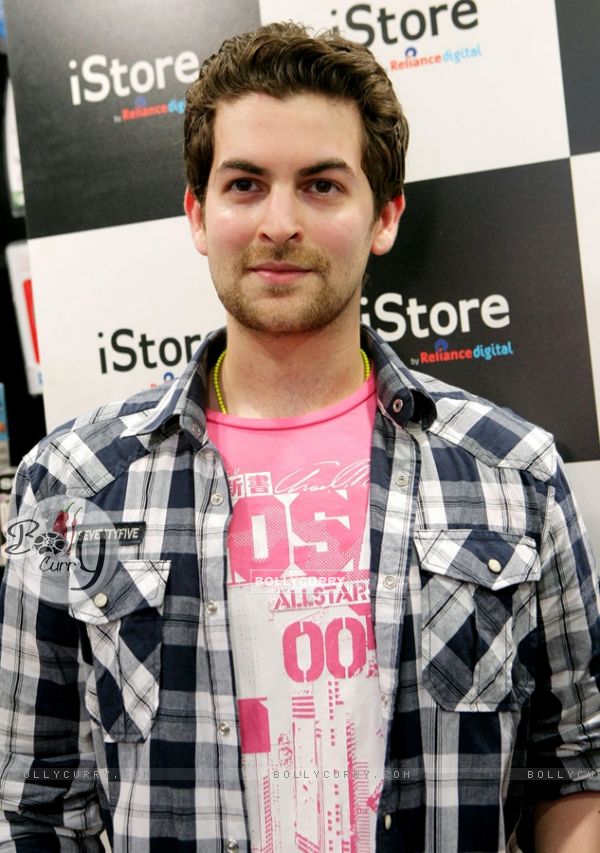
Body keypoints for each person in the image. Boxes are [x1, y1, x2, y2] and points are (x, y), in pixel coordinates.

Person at [0, 20, 599, 853]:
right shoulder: (70, 483)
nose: (279, 222)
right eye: (245, 185)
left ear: (384, 215)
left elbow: (571, 768)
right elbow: (35, 801)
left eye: (321, 185)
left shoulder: (514, 473)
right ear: (198, 214)